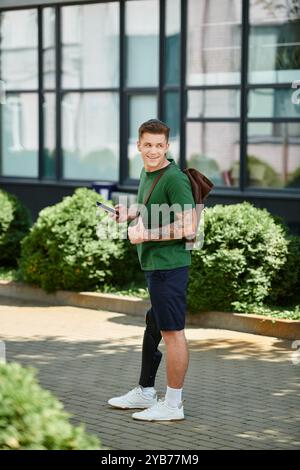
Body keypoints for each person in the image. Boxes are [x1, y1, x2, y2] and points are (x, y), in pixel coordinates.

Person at [108, 119, 196, 421]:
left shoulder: (174, 178)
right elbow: (151, 208)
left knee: (173, 334)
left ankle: (173, 405)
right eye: (148, 145)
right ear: (139, 145)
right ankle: (145, 391)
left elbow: (188, 225)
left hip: (169, 269)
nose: (153, 151)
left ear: (167, 146)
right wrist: (130, 213)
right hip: (155, 267)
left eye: (160, 145)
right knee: (153, 327)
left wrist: (145, 234)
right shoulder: (148, 173)